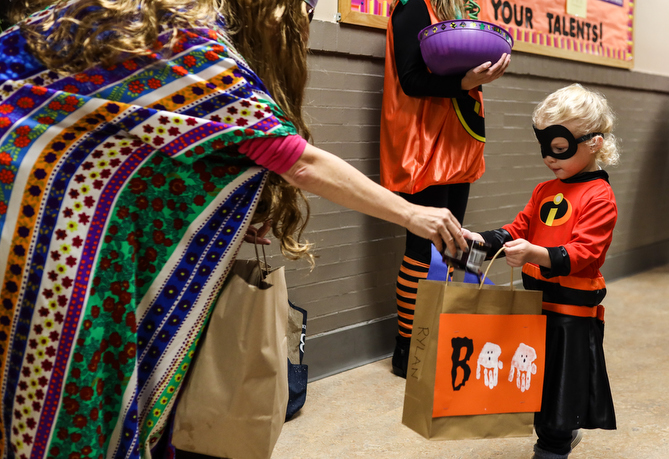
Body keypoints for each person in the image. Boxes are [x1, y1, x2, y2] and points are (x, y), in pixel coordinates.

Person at [0, 0, 468, 457]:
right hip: (53, 251)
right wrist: (413, 214)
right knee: (71, 391)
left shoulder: (97, 21)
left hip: (20, 214)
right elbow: (297, 161)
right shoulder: (185, 38)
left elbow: (143, 150)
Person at [462, 84, 619, 459]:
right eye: (544, 147)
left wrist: (537, 253)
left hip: (570, 313)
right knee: (536, 381)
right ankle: (555, 433)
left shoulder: (599, 196)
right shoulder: (545, 190)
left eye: (560, 148)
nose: (550, 157)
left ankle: (554, 446)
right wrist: (476, 242)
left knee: (561, 386)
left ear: (594, 142)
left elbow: (585, 252)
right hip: (536, 307)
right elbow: (517, 229)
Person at [380, 0, 510, 377]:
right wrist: (465, 82)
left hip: (458, 140)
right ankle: (408, 348)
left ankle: (437, 334)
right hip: (423, 145)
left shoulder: (464, 10)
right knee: (422, 250)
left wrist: (482, 75)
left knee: (452, 244)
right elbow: (411, 80)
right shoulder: (413, 7)